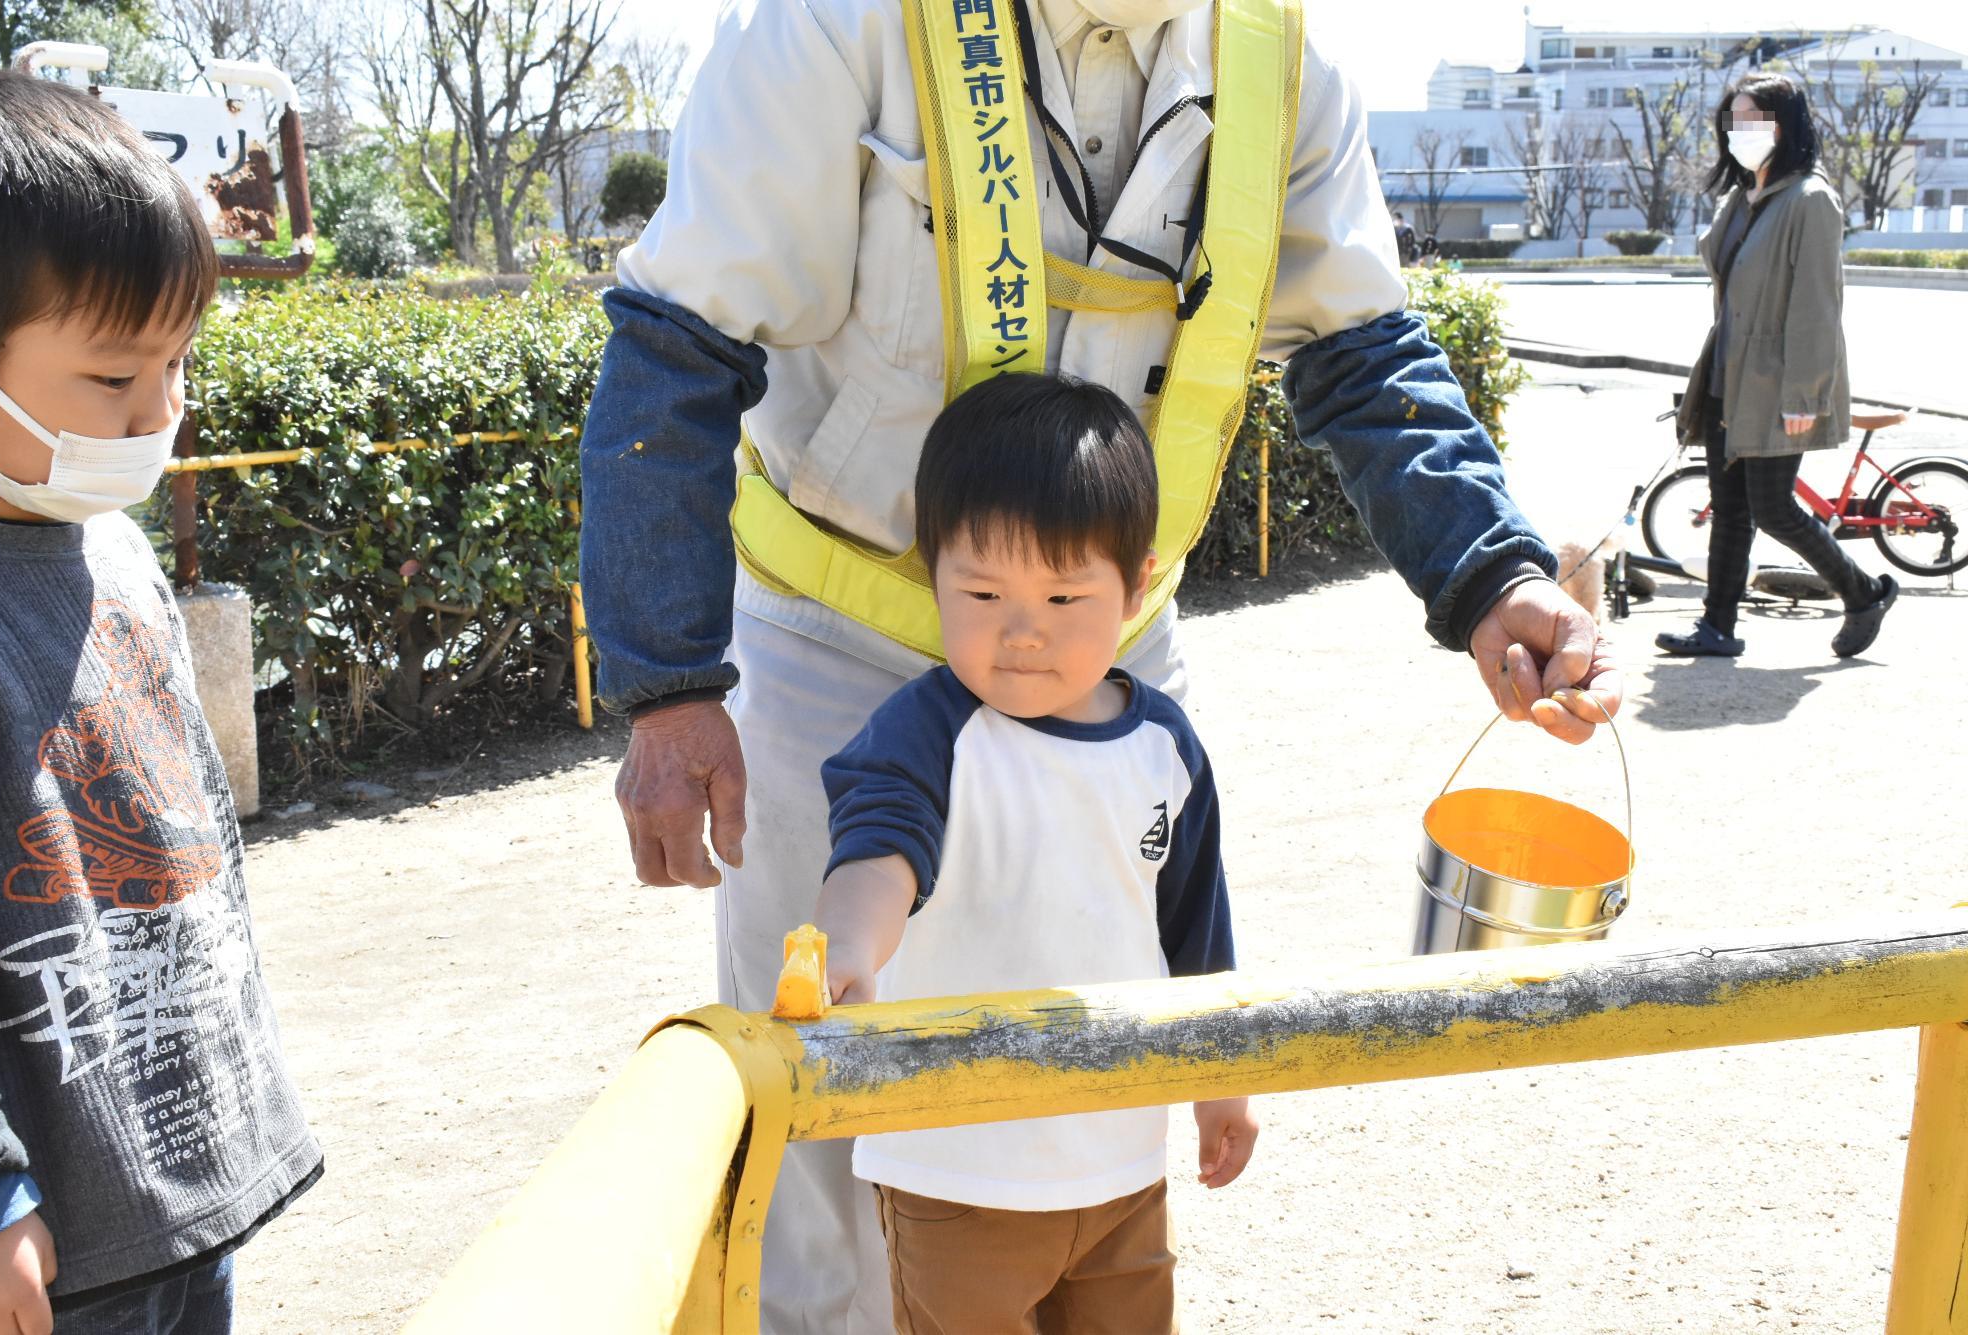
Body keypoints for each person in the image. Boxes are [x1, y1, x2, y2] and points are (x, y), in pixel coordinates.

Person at [578, 0, 1623, 1326]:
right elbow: (678, 337)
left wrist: (1496, 571)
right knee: (827, 1106)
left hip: (1111, 650)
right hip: (837, 639)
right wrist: (670, 688)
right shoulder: (835, 23)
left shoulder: (1281, 58)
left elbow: (1362, 352)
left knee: (1105, 1046)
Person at [0, 69, 322, 1334]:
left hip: (169, 1176)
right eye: (113, 378)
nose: (158, 412)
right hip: (39, 1236)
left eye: (176, 365)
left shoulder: (107, 536)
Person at [815, 374, 1253, 1331]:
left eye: (1063, 593)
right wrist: (848, 946)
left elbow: (1195, 934)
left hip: (1121, 1160)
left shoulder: (1164, 748)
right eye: (982, 591)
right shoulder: (927, 730)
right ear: (932, 574)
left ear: (1134, 586)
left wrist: (1222, 1082)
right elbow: (879, 850)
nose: (1022, 631)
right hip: (959, 1169)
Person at [1659, 70, 1896, 659]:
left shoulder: (1811, 200)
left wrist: (1804, 394)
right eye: (1733, 120)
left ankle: (1863, 593)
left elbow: (1818, 308)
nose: (1740, 131)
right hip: (1727, 376)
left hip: (1775, 384)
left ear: (1784, 126)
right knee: (1730, 507)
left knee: (1772, 507)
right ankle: (1717, 627)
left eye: (1753, 120)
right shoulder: (1743, 198)